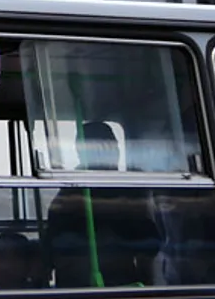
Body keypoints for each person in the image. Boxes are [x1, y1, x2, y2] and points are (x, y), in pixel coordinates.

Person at [45, 121, 160, 288]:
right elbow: (54, 247)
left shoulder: (129, 186)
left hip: (123, 286)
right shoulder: (71, 190)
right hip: (79, 289)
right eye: (100, 147)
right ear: (80, 153)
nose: (111, 151)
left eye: (112, 145)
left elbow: (150, 243)